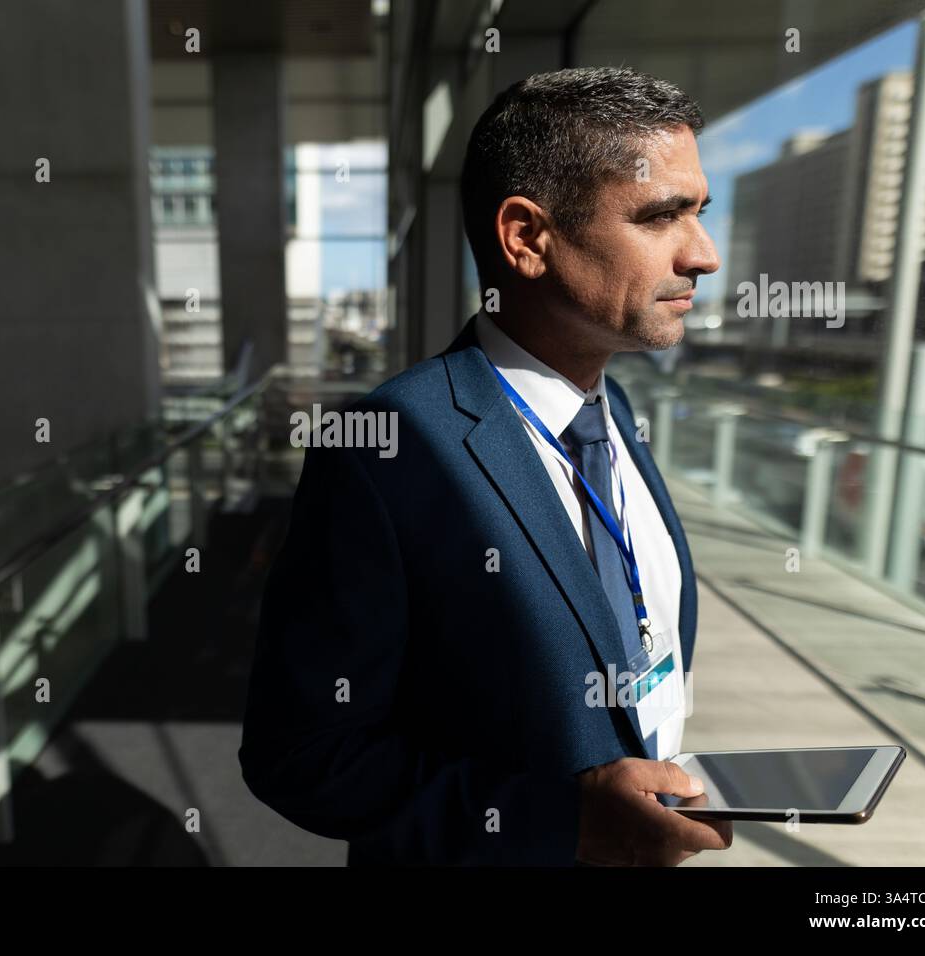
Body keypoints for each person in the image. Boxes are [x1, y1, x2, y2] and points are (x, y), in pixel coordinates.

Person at [239, 67, 731, 866]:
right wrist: (560, 820)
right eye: (661, 217)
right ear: (526, 238)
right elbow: (300, 755)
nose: (704, 255)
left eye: (700, 213)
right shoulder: (387, 446)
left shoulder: (618, 418)